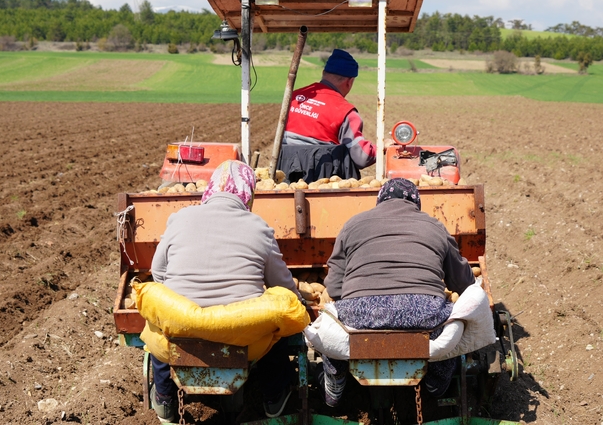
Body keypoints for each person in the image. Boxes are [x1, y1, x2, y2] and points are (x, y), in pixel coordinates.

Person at [149, 160, 302, 421]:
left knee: (158, 325)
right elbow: (281, 286)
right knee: (277, 320)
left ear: (210, 189)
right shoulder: (259, 227)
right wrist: (297, 304)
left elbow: (158, 272)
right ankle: (274, 397)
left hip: (183, 328)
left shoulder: (180, 218)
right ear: (248, 193)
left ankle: (164, 398)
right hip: (241, 334)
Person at [320, 178, 475, 407]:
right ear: (416, 203)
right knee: (451, 321)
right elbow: (463, 282)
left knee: (329, 321)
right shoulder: (435, 226)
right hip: (423, 314)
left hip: (361, 314)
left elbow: (334, 287)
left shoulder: (352, 224)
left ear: (380, 200)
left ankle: (336, 380)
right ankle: (437, 382)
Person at [279, 49, 390, 182]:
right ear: (349, 82)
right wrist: (382, 147)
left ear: (323, 73)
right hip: (322, 180)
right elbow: (361, 157)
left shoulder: (292, 97)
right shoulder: (346, 112)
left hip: (285, 175)